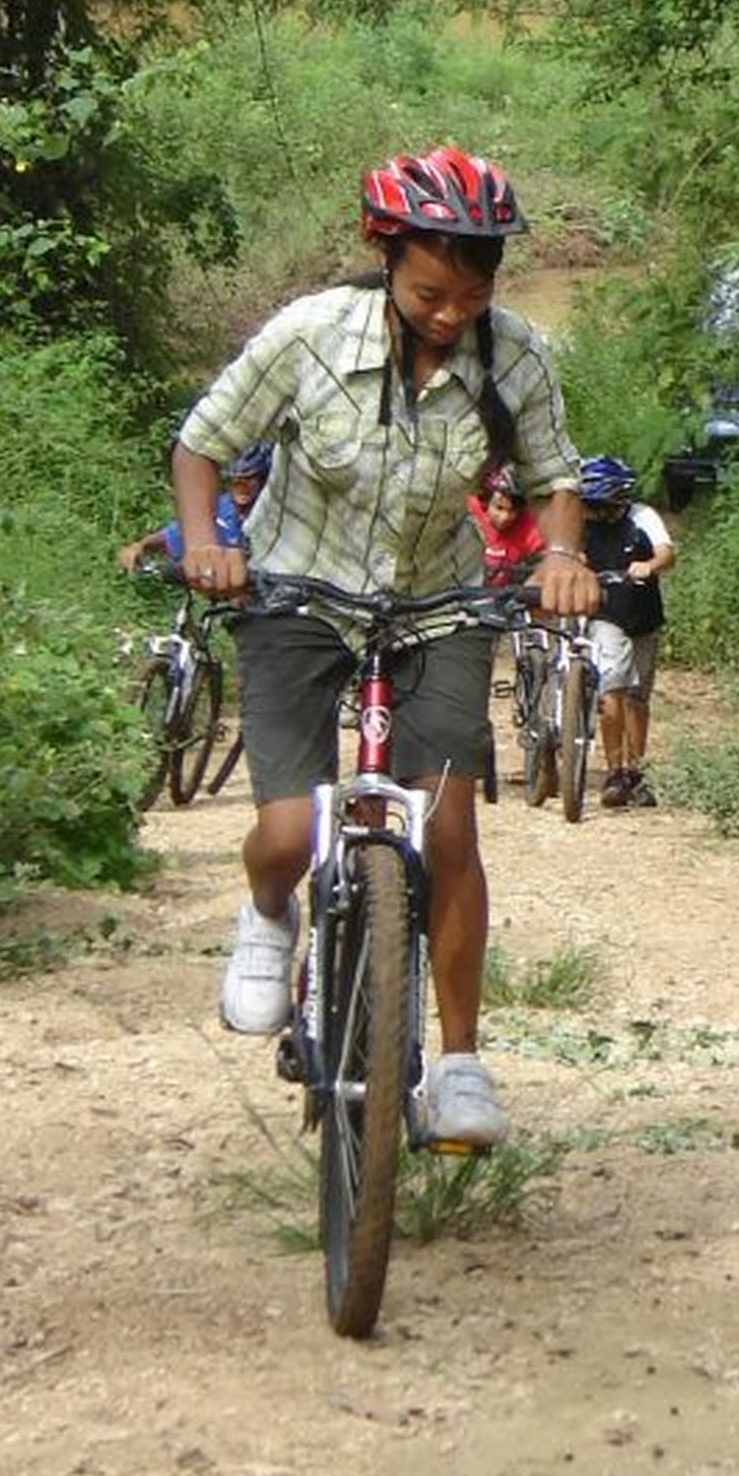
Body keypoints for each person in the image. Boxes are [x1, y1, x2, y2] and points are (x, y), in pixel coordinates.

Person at [170, 147, 599, 1149]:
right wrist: (204, 543)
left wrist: (563, 555)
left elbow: (552, 477)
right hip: (297, 592)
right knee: (287, 834)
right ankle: (270, 912)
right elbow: (202, 443)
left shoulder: (514, 356)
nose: (451, 315)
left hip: (438, 603)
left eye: (473, 295)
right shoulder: (310, 334)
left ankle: (459, 1064)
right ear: (386, 257)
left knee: (447, 832)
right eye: (428, 294)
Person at [575, 454, 676, 808]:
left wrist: (649, 565)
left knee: (637, 697)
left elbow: (667, 553)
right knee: (610, 689)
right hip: (606, 615)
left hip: (643, 615)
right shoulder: (582, 522)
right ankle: (615, 770)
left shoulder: (642, 518)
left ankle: (636, 770)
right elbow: (571, 552)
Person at [117, 444, 272, 573]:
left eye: (250, 481)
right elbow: (171, 537)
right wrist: (139, 547)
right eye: (236, 482)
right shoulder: (220, 509)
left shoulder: (277, 515)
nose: (242, 491)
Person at [469, 465, 547, 588]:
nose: (505, 517)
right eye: (499, 508)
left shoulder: (528, 528)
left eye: (513, 511)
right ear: (486, 503)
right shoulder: (470, 510)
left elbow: (546, 558)